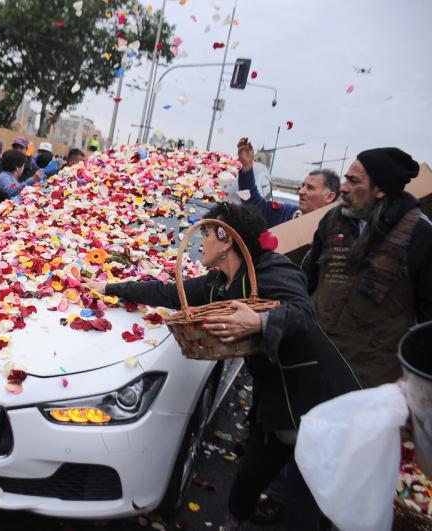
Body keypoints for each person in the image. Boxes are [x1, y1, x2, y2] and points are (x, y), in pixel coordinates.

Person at [84, 202, 359, 530]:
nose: (200, 240)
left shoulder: (271, 269)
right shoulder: (218, 283)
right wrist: (111, 288)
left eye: (205, 232)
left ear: (226, 239)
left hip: (315, 396)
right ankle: (234, 521)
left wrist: (260, 320)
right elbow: (170, 292)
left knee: (306, 503)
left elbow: (303, 313)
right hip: (274, 400)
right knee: (247, 479)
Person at [303, 147, 432, 389]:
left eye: (353, 181)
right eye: (345, 179)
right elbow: (307, 281)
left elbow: (428, 322)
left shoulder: (420, 234)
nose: (343, 187)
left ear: (381, 190)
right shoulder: (333, 219)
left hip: (369, 381)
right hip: (314, 362)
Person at [237, 138, 340, 227]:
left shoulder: (334, 233)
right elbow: (255, 206)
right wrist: (247, 167)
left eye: (310, 188)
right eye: (303, 186)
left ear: (329, 197)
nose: (301, 192)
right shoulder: (287, 213)